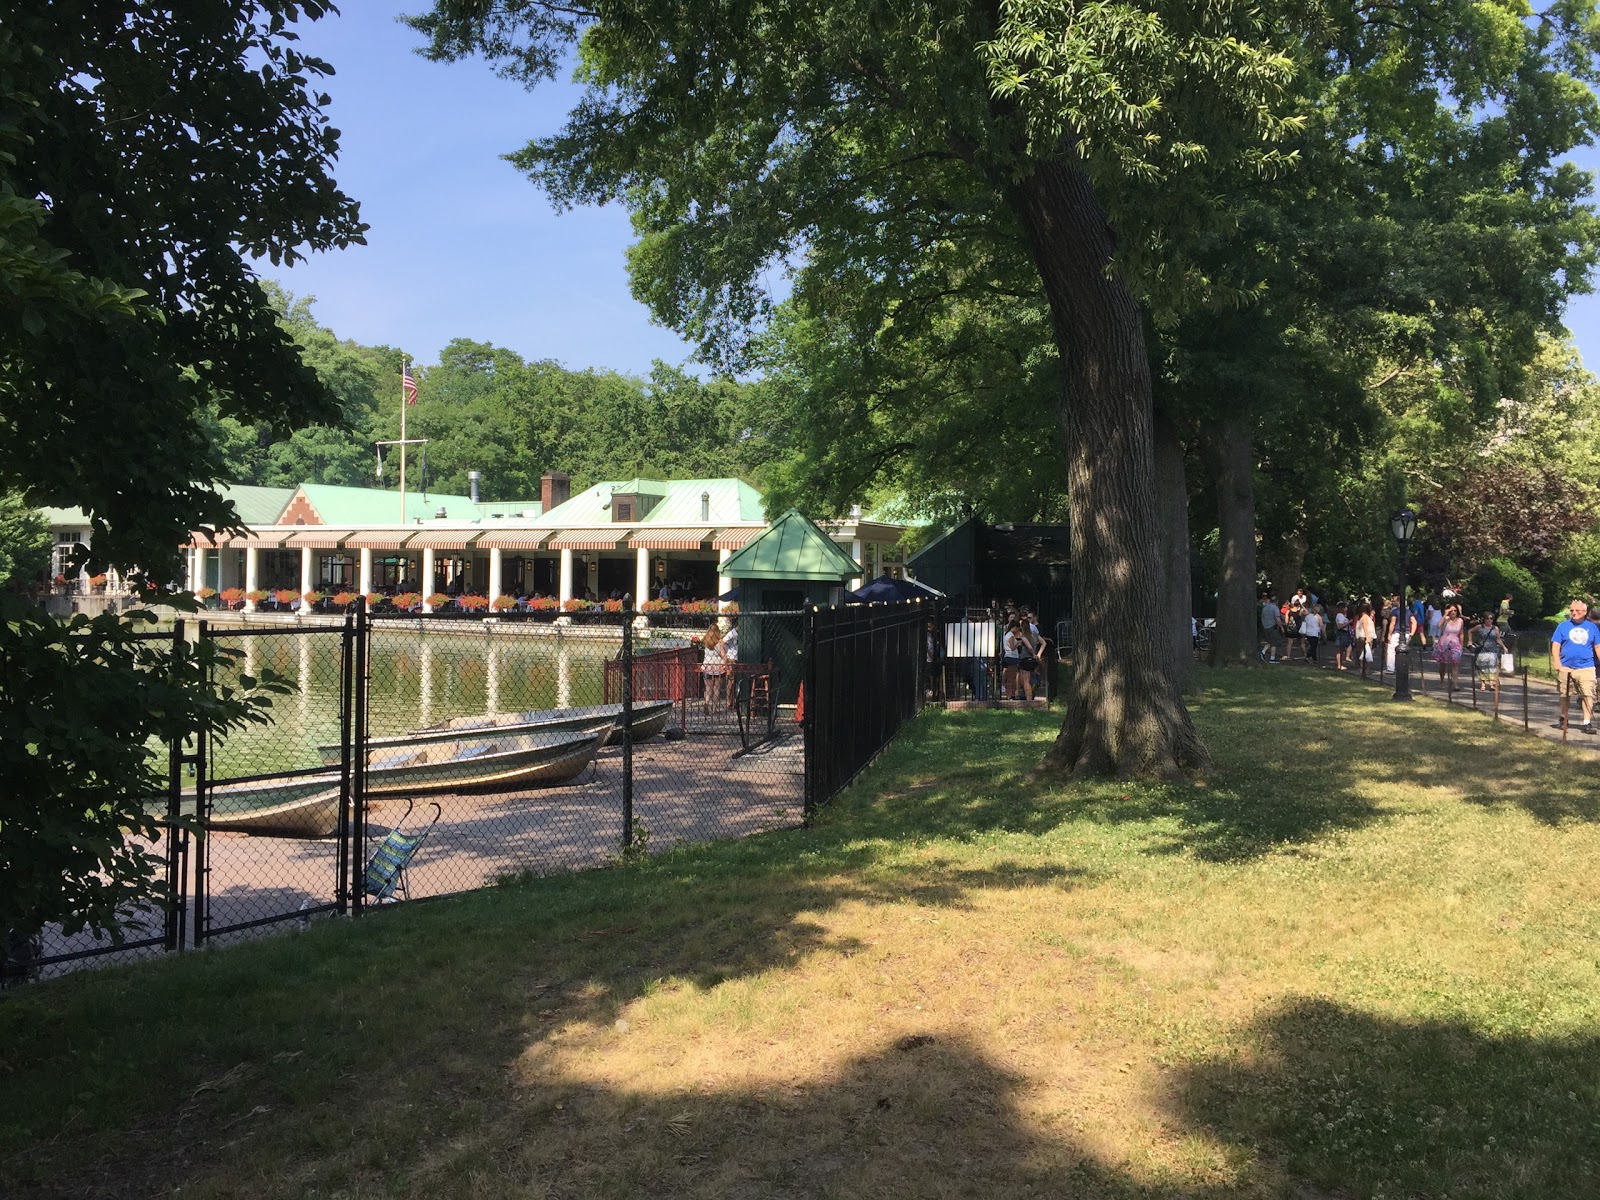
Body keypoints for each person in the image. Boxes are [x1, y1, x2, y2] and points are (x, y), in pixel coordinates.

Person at [1550, 598, 1600, 734]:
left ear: (1584, 612)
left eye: (1577, 610)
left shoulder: (1592, 628)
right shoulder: (1563, 626)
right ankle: (1563, 717)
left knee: (1588, 694)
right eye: (1572, 610)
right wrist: (1557, 662)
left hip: (1586, 666)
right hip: (1566, 666)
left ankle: (1586, 722)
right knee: (1564, 694)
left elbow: (1597, 646)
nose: (1574, 613)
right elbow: (1556, 645)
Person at [1433, 603, 1465, 691]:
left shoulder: (1460, 621)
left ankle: (1455, 684)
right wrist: (1445, 615)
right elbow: (1439, 625)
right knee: (1443, 664)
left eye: (1455, 610)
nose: (1453, 612)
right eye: (1451, 611)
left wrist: (1461, 645)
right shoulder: (1446, 620)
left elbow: (1461, 634)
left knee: (1455, 664)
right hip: (1444, 643)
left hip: (1455, 643)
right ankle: (1442, 681)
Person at [1469, 612, 1504, 693]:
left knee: (1492, 668)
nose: (1489, 620)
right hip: (1482, 650)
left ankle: (1492, 684)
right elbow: (1470, 631)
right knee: (1482, 667)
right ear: (1484, 619)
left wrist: (1503, 646)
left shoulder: (1495, 628)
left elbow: (1498, 639)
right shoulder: (1479, 627)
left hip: (1492, 650)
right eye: (1487, 618)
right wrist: (1470, 641)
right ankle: (1483, 684)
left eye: (1491, 618)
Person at [700, 622, 728, 709]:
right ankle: (715, 708)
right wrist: (725, 662)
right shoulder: (719, 643)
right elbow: (724, 656)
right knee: (716, 688)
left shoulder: (705, 641)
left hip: (707, 666)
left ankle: (706, 703)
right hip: (718, 667)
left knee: (708, 688)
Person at [1259, 592, 1284, 663]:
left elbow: (1262, 617)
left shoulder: (1265, 608)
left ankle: (1263, 652)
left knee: (1269, 641)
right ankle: (1272, 659)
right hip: (1273, 627)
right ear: (1277, 602)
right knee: (1274, 643)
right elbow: (1277, 619)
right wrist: (1281, 627)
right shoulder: (1275, 608)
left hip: (1265, 627)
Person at [1355, 602, 1377, 679]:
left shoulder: (1364, 617)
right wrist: (1368, 638)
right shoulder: (1365, 617)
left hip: (1365, 636)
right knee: (1365, 653)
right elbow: (1365, 627)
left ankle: (1364, 669)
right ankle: (1364, 670)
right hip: (1365, 637)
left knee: (1365, 653)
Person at [1333, 601, 1353, 670]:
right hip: (1342, 633)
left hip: (1344, 632)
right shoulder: (1340, 616)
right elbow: (1340, 626)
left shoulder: (1342, 615)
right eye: (1345, 608)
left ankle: (1341, 664)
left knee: (1342, 649)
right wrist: (1349, 622)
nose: (1346, 609)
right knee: (1340, 649)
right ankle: (1339, 664)